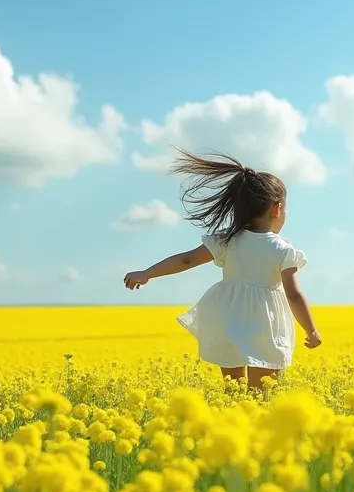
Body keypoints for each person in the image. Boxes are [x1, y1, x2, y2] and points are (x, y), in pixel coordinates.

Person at [123, 150, 322, 389]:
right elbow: (293, 294)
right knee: (262, 395)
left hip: (229, 320)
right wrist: (311, 329)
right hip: (266, 325)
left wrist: (147, 273)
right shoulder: (282, 249)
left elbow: (187, 259)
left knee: (233, 394)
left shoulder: (227, 240)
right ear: (276, 209)